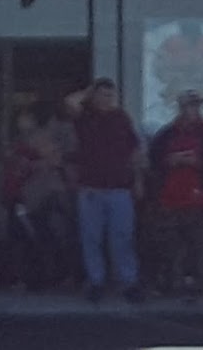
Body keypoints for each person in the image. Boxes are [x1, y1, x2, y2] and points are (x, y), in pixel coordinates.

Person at [62, 77, 144, 304]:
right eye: (103, 95)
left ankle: (128, 282)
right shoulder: (85, 117)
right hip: (91, 189)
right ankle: (96, 281)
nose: (107, 100)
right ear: (94, 96)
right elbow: (70, 102)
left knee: (123, 238)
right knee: (91, 238)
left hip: (119, 188)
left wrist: (138, 180)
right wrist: (89, 91)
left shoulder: (121, 118)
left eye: (110, 95)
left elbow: (134, 152)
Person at [147, 89, 203, 301]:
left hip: (196, 197)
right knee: (166, 242)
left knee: (194, 242)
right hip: (168, 196)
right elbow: (153, 159)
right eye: (188, 106)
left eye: (195, 106)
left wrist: (198, 163)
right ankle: (165, 280)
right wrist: (169, 161)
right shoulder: (166, 134)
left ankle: (190, 281)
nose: (191, 110)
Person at [0, 105, 71, 290]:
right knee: (20, 237)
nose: (22, 121)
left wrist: (33, 165)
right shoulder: (15, 141)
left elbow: (56, 161)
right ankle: (26, 277)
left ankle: (50, 277)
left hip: (40, 195)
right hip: (19, 194)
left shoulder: (43, 138)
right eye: (20, 118)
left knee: (43, 235)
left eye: (26, 117)